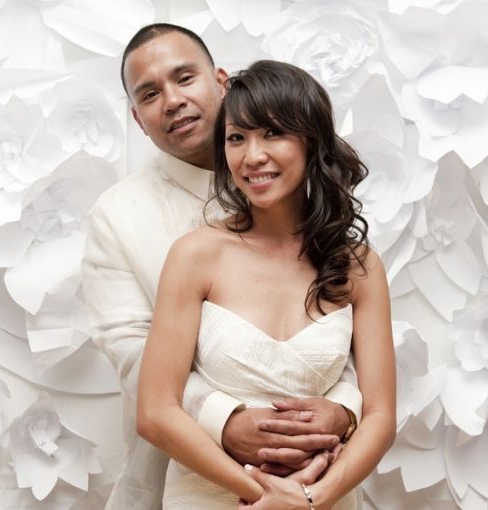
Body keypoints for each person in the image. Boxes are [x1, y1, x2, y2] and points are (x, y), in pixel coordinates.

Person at [82, 24, 363, 509]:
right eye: (150, 94)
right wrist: (225, 418)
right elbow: (130, 349)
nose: (172, 101)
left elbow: (344, 325)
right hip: (185, 474)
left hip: (318, 469)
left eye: (184, 78)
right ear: (137, 119)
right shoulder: (118, 214)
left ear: (221, 83)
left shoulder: (297, 189)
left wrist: (341, 411)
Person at [136, 60, 396, 509]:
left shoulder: (359, 266)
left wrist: (312, 498)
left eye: (273, 133)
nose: (252, 156)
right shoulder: (195, 256)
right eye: (237, 138)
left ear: (311, 141)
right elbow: (155, 413)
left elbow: (381, 415)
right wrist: (266, 496)